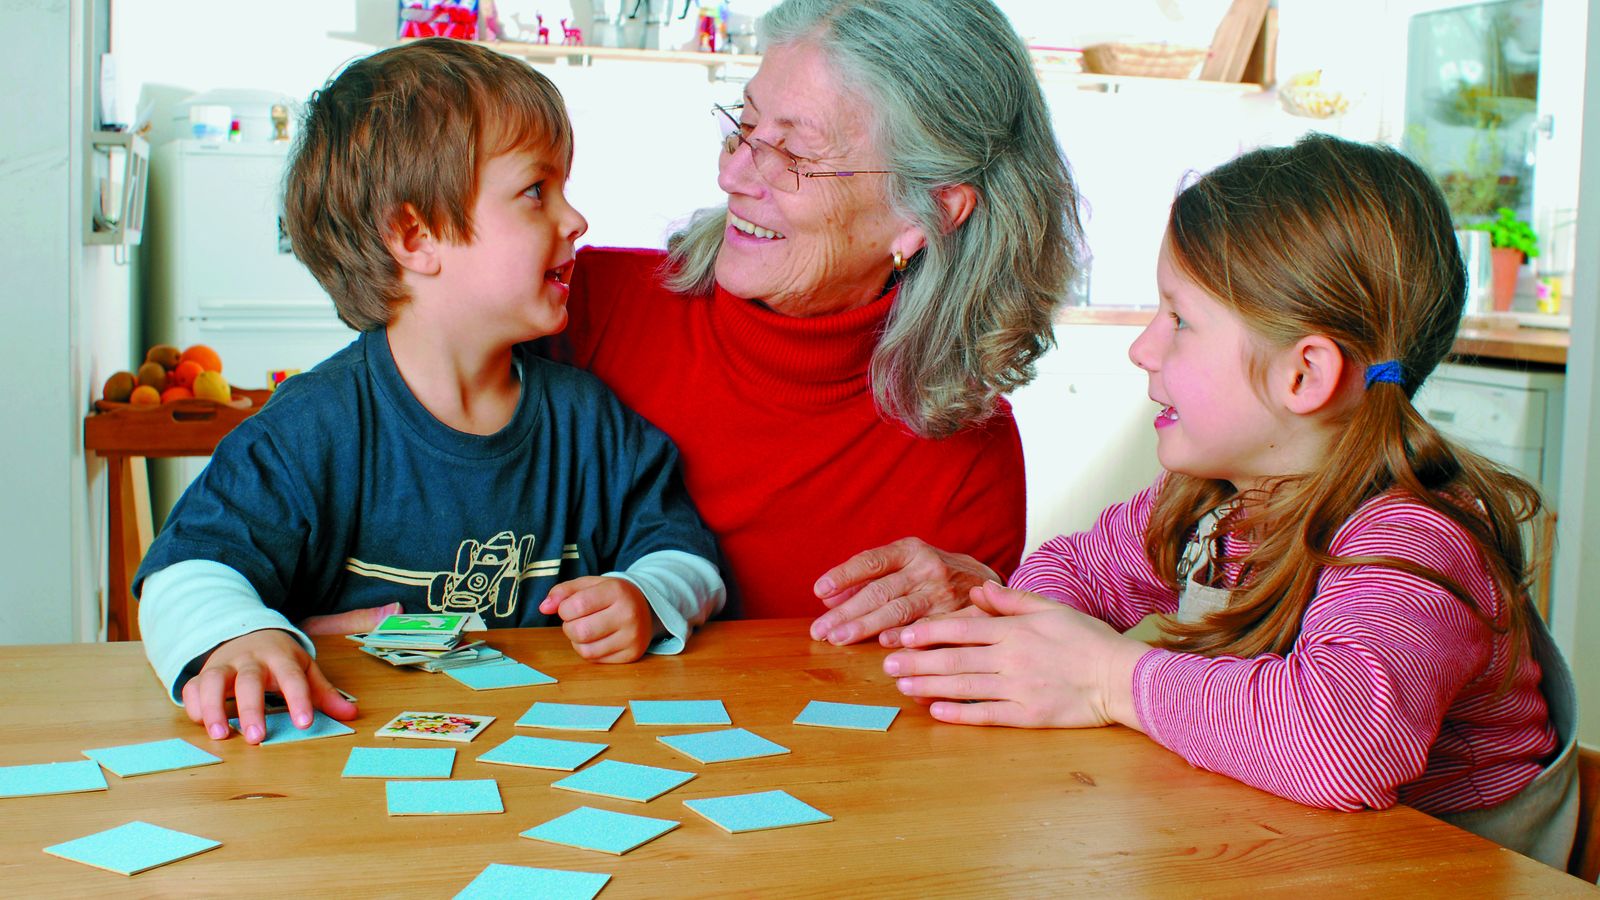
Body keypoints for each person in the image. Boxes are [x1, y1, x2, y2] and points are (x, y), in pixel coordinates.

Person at [881, 135, 1577, 866]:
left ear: (1304, 375)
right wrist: (1035, 637)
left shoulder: (1412, 541)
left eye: (1179, 321)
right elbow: (1072, 572)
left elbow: (1339, 745)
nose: (1143, 349)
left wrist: (1106, 678)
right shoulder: (1213, 504)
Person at [135, 38, 725, 745]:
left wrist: (648, 595)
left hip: (549, 766)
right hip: (347, 783)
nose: (575, 219)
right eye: (536, 191)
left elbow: (686, 553)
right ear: (416, 237)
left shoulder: (587, 420)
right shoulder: (312, 428)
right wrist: (240, 639)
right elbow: (186, 571)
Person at [546, 0, 1083, 638]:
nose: (732, 173)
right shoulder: (574, 305)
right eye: (743, 125)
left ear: (928, 214)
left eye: (796, 154)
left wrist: (982, 619)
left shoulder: (968, 463)